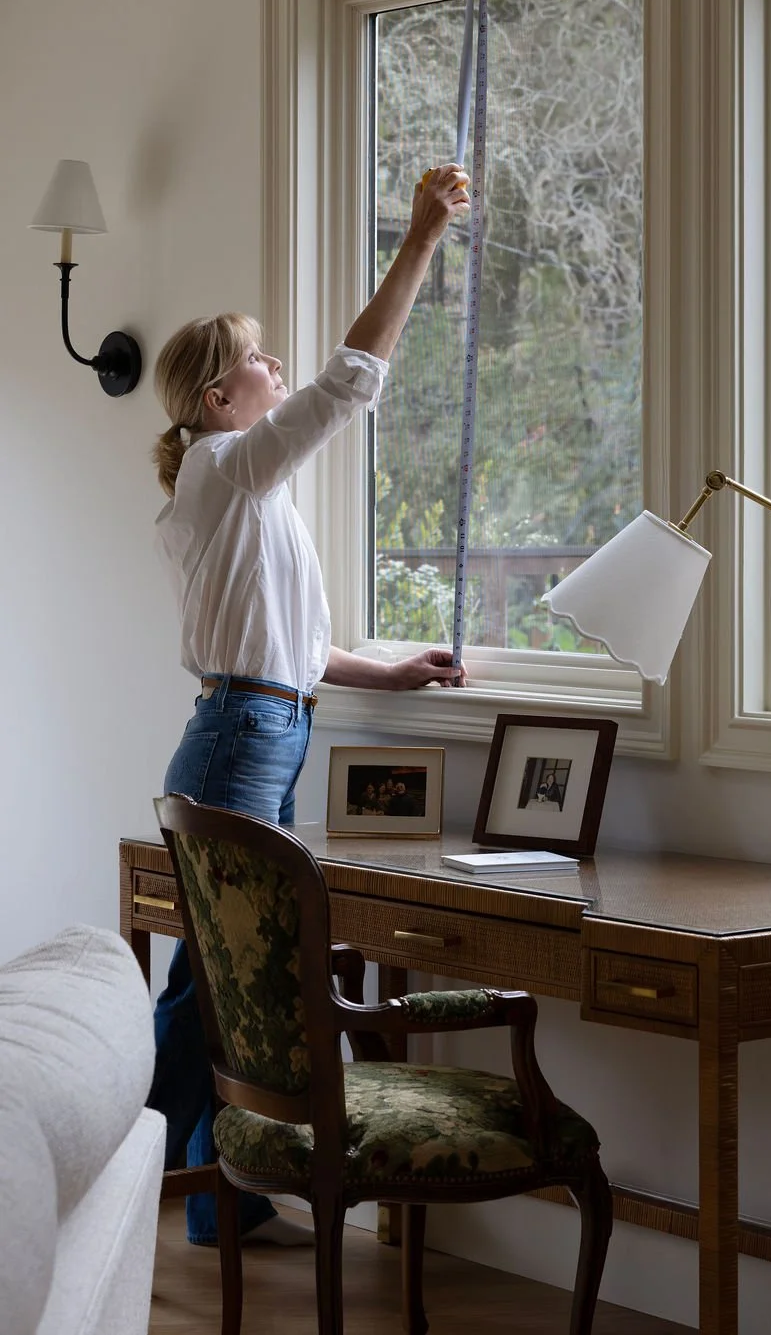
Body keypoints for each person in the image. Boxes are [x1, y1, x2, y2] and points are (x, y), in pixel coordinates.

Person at [148, 163, 470, 1249]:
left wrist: (390, 673)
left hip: (263, 726)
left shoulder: (247, 493)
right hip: (239, 737)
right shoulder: (221, 469)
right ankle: (134, 1169)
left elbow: (287, 647)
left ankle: (209, 1194)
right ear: (217, 398)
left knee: (232, 974)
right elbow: (347, 381)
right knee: (218, 977)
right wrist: (419, 240)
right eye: (256, 356)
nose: (275, 365)